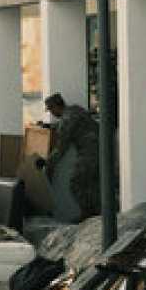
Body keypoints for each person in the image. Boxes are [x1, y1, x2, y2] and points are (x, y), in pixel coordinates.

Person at [42, 93, 101, 221]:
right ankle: (97, 214)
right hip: (101, 149)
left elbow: (61, 149)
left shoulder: (66, 120)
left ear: (56, 107)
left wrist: (48, 164)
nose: (51, 113)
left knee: (76, 183)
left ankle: (89, 215)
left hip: (90, 152)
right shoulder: (75, 109)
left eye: (51, 109)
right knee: (93, 184)